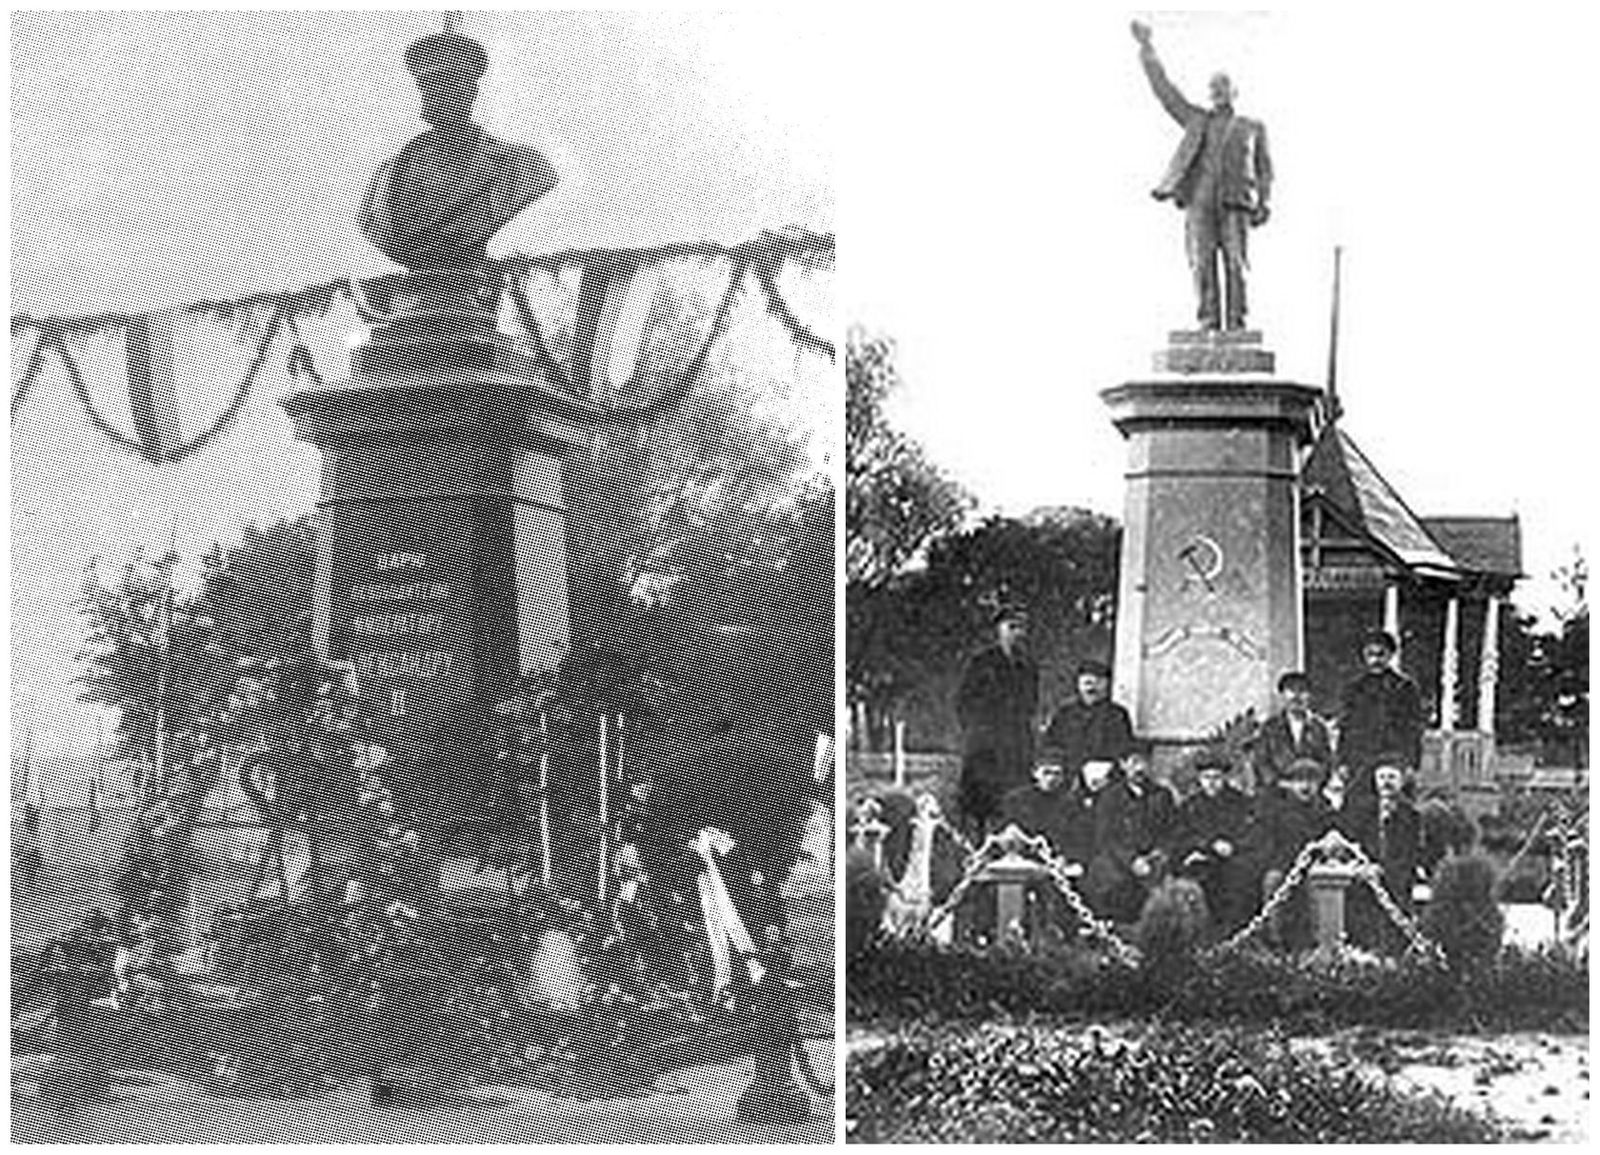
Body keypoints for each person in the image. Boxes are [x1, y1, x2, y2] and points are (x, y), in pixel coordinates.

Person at [359, 29, 560, 271]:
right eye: (428, 86)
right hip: (414, 297)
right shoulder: (389, 174)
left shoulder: (524, 166)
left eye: (448, 85)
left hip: (483, 288)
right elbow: (380, 231)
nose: (435, 96)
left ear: (471, 94)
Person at [1131, 20, 1273, 332]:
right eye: (1213, 88)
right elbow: (1165, 93)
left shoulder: (1252, 127)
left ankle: (1237, 325)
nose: (1218, 93)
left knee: (1236, 265)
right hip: (1199, 201)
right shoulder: (1196, 120)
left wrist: (1265, 201)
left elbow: (1265, 170)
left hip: (1236, 204)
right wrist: (1147, 50)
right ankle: (1208, 322)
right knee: (1201, 264)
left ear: (1235, 92)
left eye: (1223, 87)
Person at [956, 605, 1040, 835]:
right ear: (999, 629)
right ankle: (980, 847)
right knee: (982, 800)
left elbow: (1031, 704)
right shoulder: (982, 662)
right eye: (1011, 627)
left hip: (1016, 741)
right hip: (986, 743)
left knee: (1014, 796)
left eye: (1022, 628)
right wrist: (978, 732)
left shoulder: (1028, 666)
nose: (1017, 633)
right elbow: (963, 702)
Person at [1246, 756, 1338, 949]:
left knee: (1322, 883)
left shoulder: (1326, 811)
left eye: (1311, 781)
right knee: (1272, 880)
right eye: (1299, 781)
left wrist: (1330, 844)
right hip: (1283, 864)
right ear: (1288, 784)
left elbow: (1335, 839)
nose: (1305, 786)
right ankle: (1275, 939)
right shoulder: (1276, 811)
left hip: (1315, 865)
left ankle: (1322, 943)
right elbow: (1265, 843)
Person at [1172, 749, 1253, 933]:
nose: (1211, 783)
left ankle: (1234, 934)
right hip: (1201, 860)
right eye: (1206, 777)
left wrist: (1232, 846)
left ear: (1225, 778)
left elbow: (1249, 833)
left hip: (1232, 860)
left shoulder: (1240, 803)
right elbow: (1180, 836)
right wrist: (1205, 846)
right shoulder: (1190, 806)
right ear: (1199, 779)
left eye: (1216, 777)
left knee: (1239, 880)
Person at [1337, 630, 1424, 800]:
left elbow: (1414, 729)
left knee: (1398, 808)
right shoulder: (1354, 689)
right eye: (1370, 654)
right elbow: (1345, 726)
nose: (1375, 660)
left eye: (1381, 654)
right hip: (1360, 759)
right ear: (1364, 656)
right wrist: (1342, 762)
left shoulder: (1405, 687)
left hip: (1394, 759)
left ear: (1391, 655)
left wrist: (1412, 764)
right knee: (1358, 806)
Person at [1065, 759, 1145, 924]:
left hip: (1114, 854)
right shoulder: (1073, 803)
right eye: (1093, 781)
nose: (1098, 784)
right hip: (1093, 855)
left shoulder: (1116, 799)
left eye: (1103, 780)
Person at [1043, 660, 1135, 780]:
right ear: (1078, 685)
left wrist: (1106, 768)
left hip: (1105, 778)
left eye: (1098, 683)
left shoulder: (1117, 715)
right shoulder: (1064, 714)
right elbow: (1051, 746)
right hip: (1069, 776)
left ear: (1107, 685)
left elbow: (1125, 750)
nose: (1092, 688)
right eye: (1087, 683)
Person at [1252, 671, 1335, 794]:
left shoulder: (1318, 728)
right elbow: (1262, 764)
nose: (1296, 696)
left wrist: (1312, 784)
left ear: (1310, 696)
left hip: (1310, 795)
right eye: (1291, 690)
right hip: (1277, 795)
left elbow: (1326, 763)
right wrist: (1287, 785)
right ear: (1282, 695)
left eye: (1302, 690)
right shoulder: (1269, 728)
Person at [1120, 740, 1178, 883]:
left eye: (1144, 762)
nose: (1140, 768)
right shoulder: (1110, 797)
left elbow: (1173, 829)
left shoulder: (1162, 795)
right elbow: (1107, 838)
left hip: (1157, 859)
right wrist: (1131, 860)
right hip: (1121, 861)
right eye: (1134, 762)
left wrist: (1162, 851)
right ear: (1122, 765)